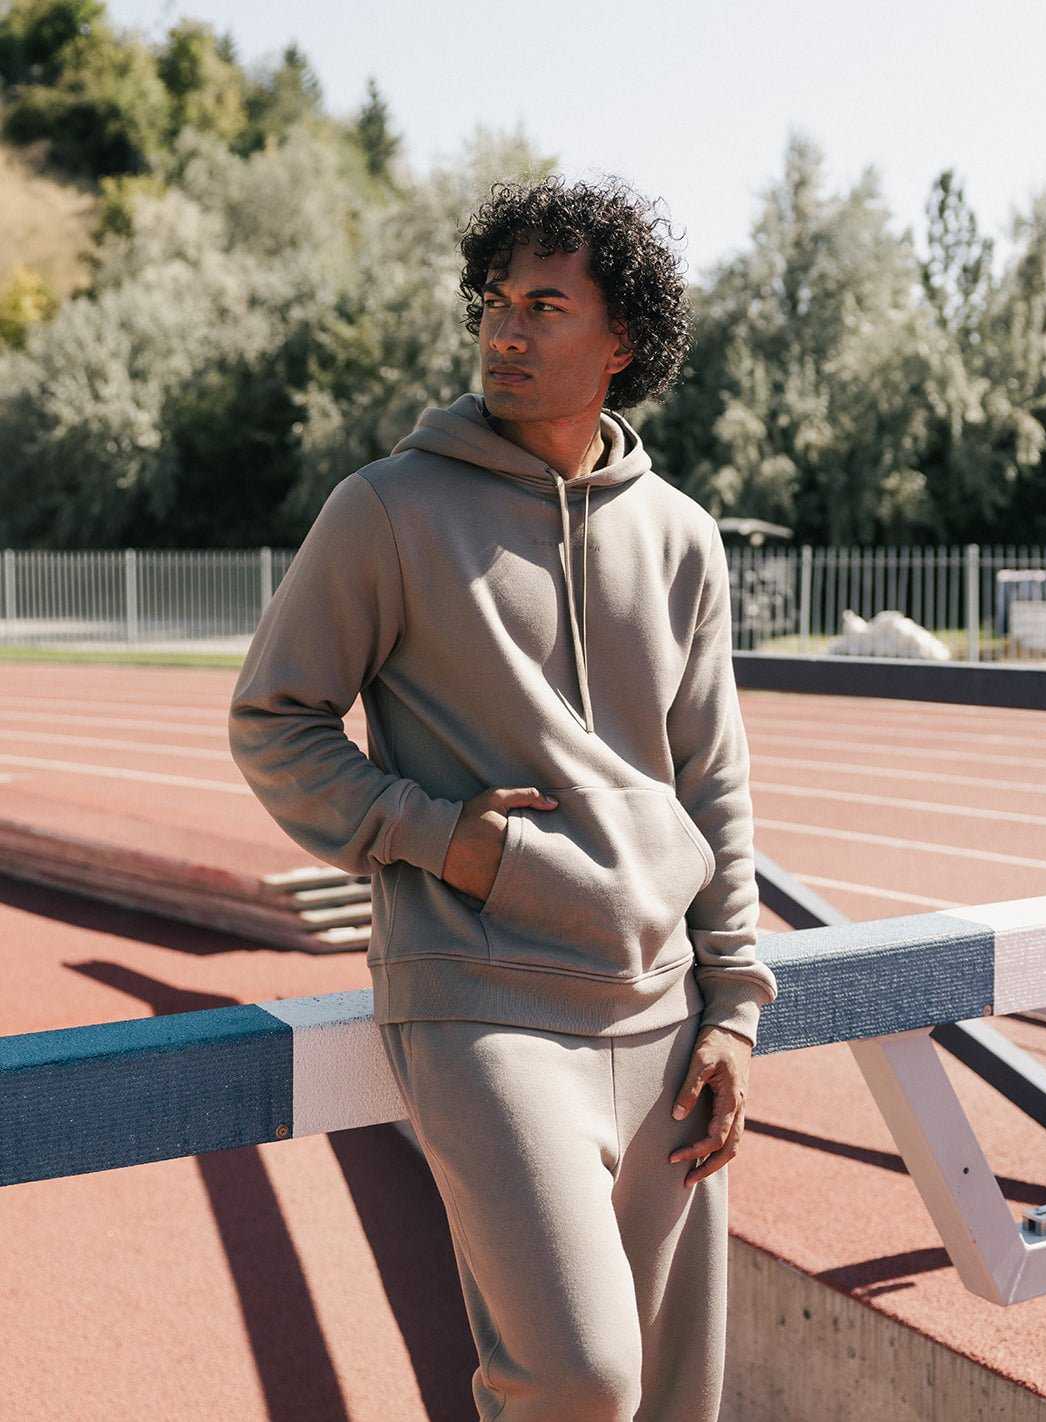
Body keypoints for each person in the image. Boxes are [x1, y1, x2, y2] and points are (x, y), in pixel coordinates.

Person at [228, 174, 779, 1422]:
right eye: (493, 303)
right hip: (481, 997)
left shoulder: (681, 537)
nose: (506, 333)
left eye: (543, 305)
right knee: (576, 1380)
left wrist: (735, 1007)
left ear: (621, 340)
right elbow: (274, 722)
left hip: (662, 1013)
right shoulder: (387, 510)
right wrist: (437, 841)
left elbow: (715, 782)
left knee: (674, 1397)